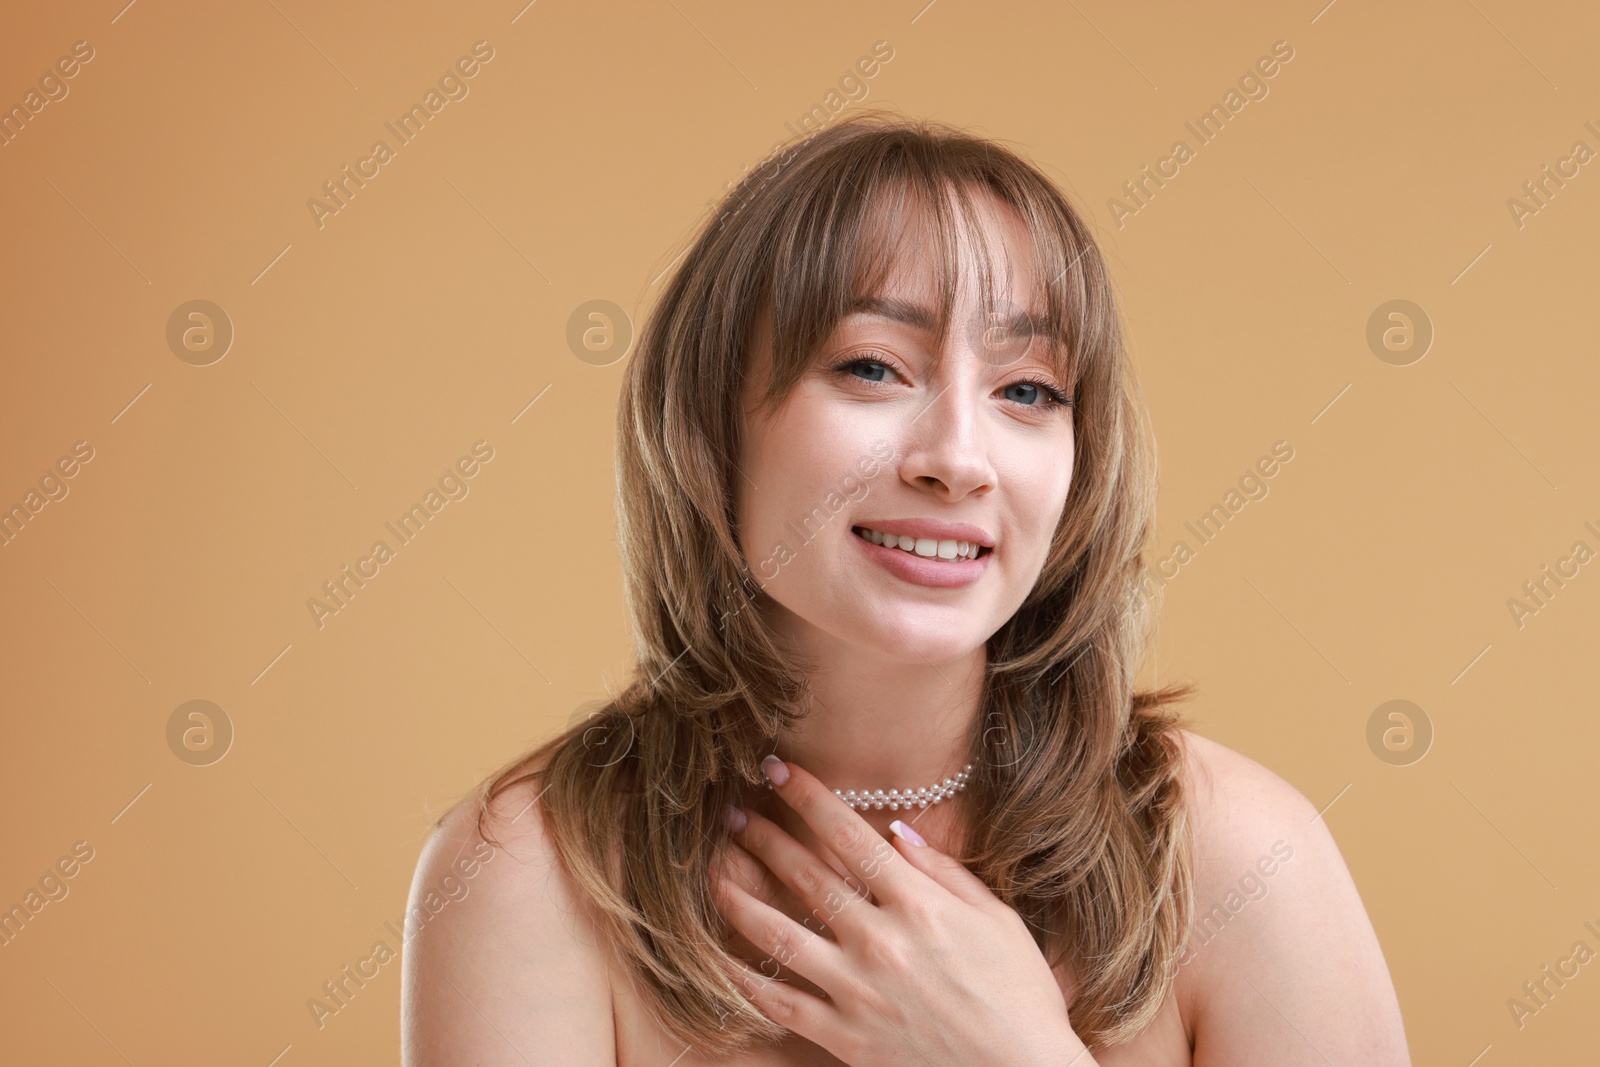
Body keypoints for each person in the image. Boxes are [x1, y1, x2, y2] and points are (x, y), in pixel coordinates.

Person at [400, 111, 1411, 1066]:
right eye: (874, 366)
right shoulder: (529, 871)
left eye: (1027, 388)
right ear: (710, 426)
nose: (958, 459)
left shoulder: (1238, 853)